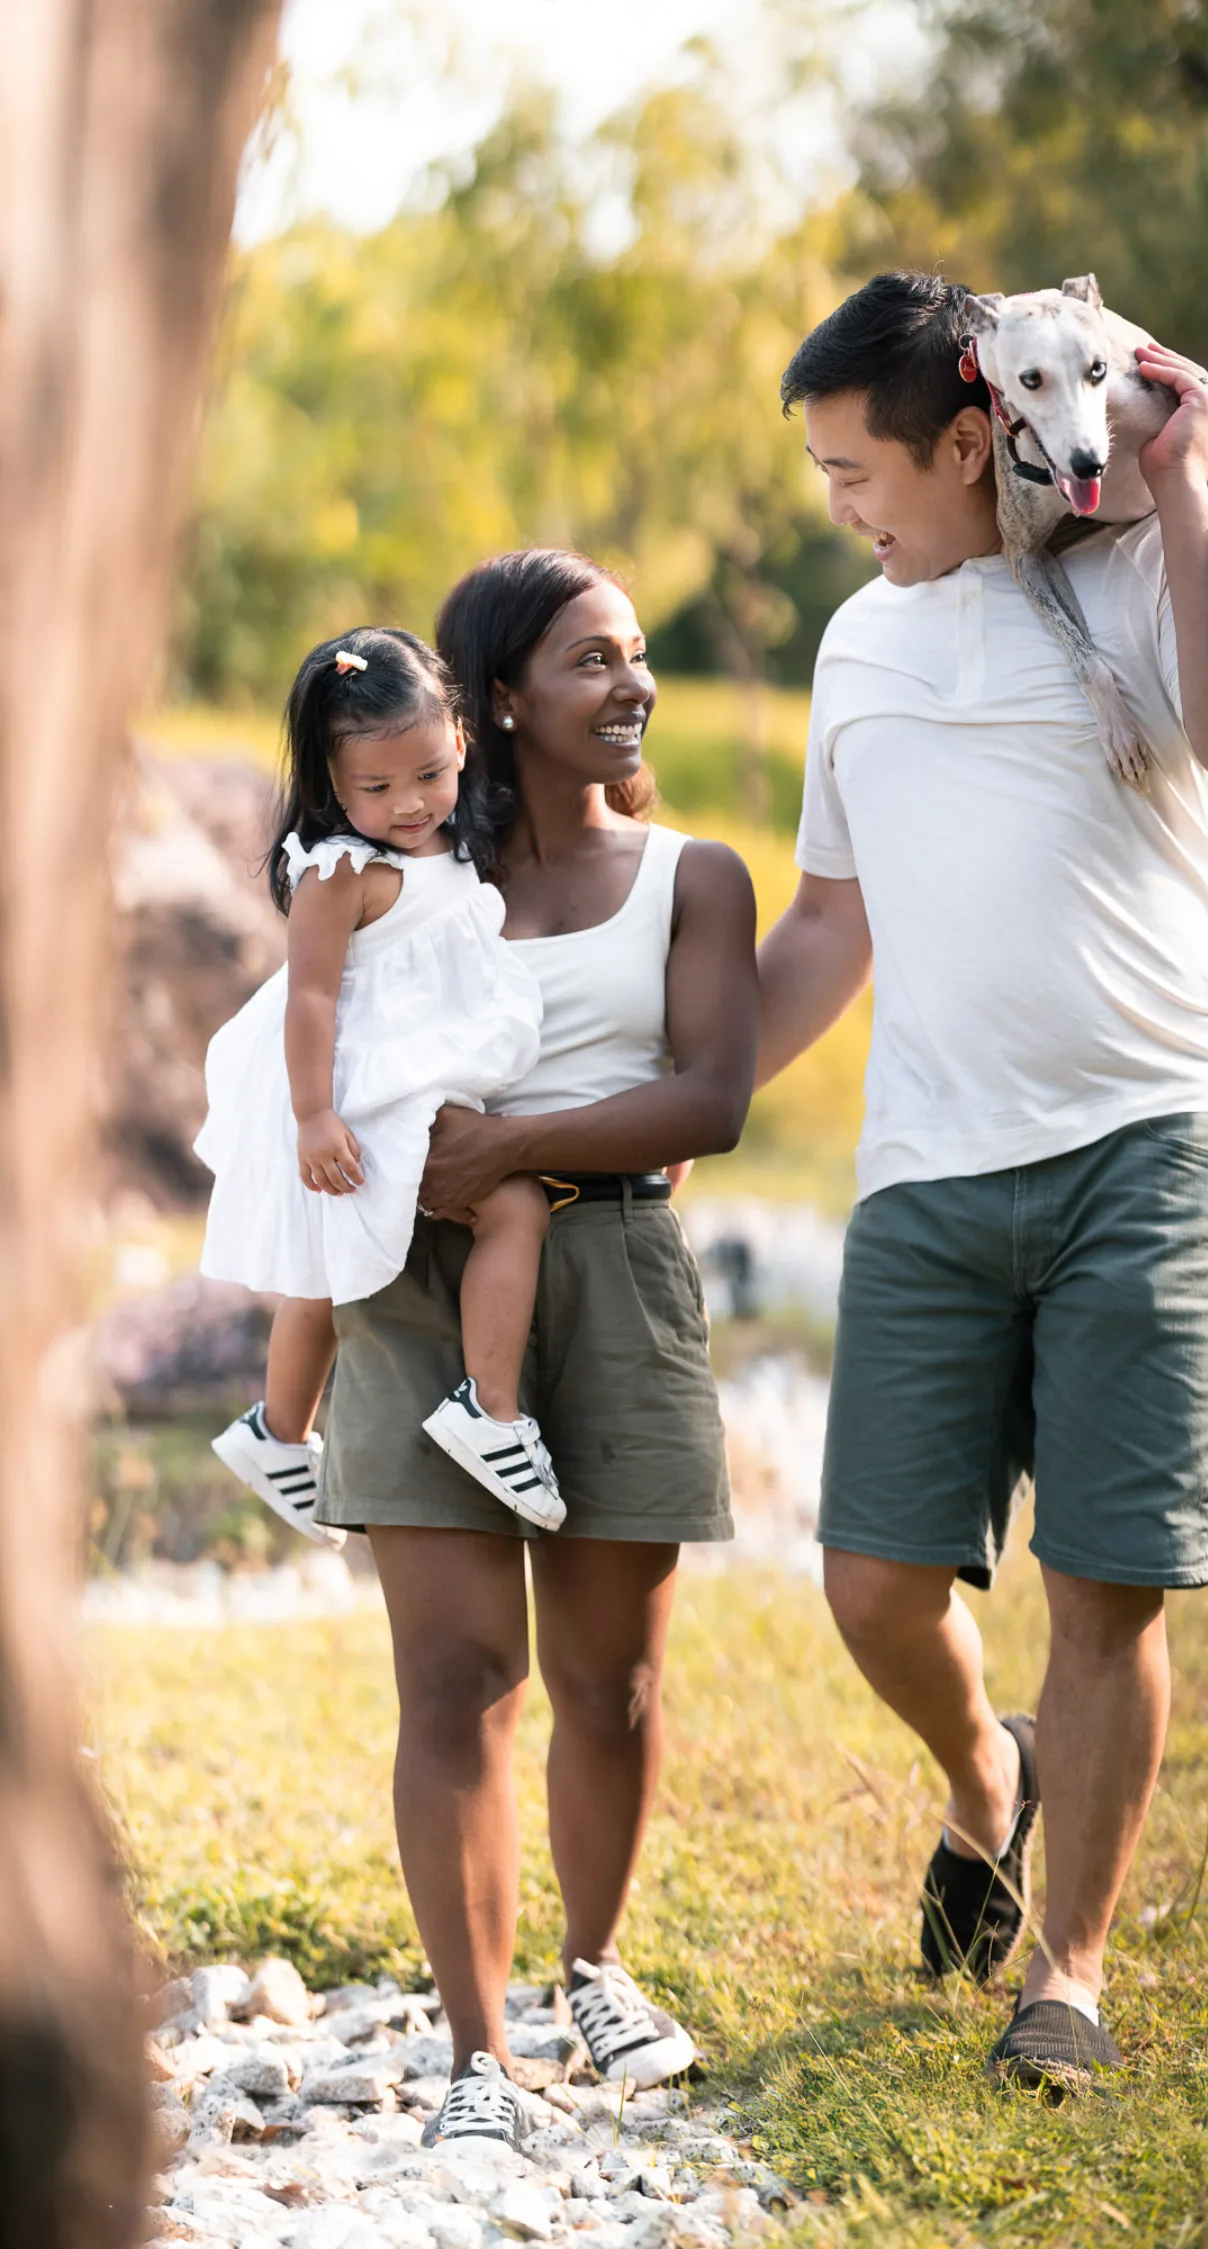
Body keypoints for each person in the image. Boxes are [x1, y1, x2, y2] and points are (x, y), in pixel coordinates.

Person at [758, 272, 1208, 2090]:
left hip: (1153, 1140)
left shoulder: (1149, 564)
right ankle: (987, 1773)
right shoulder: (860, 644)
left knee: (1106, 1583)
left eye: (861, 470)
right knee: (868, 1580)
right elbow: (828, 926)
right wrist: (655, 1094)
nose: (843, 505)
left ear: (973, 435)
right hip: (930, 1165)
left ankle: (1066, 1970)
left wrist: (1183, 490)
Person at [313, 551, 758, 2147]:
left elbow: (712, 1096)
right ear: (503, 693)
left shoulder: (696, 877)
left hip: (616, 1269)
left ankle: (596, 1966)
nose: (632, 682)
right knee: (455, 1678)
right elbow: (311, 1017)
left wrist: (514, 1149)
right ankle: (477, 2053)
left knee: (612, 1681)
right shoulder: (414, 861)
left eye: (637, 654)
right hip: (421, 1279)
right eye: (591, 659)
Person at [197, 627, 563, 1546]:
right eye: (376, 787)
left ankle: (278, 1431)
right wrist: (313, 1114)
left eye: (429, 775)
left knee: (325, 1274)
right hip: (362, 1090)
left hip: (409, 1075)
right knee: (512, 1206)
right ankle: (489, 1408)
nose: (410, 803)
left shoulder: (456, 841)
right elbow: (311, 998)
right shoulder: (340, 871)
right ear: (329, 783)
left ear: (461, 746)